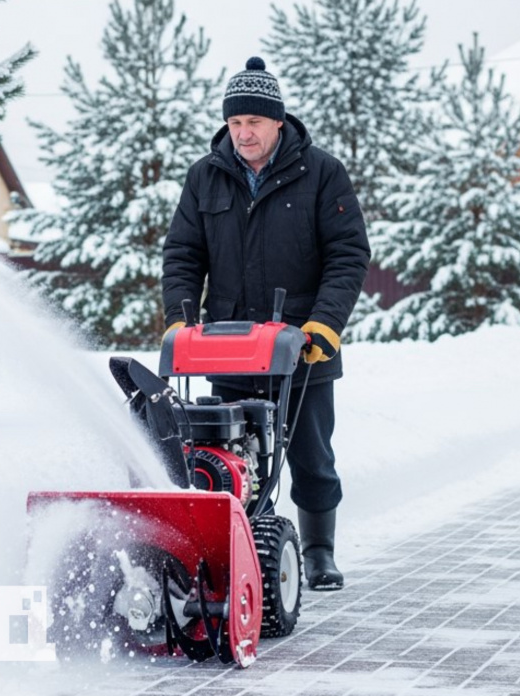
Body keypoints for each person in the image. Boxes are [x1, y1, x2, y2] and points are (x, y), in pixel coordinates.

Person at [161, 57, 370, 591]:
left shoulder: (322, 172)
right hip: (226, 345)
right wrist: (178, 321)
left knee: (310, 458)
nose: (243, 133)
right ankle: (242, 546)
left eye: (254, 122)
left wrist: (322, 325)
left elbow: (348, 255)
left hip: (302, 349)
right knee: (233, 455)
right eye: (235, 123)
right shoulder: (205, 175)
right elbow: (183, 254)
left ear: (279, 121)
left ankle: (318, 550)